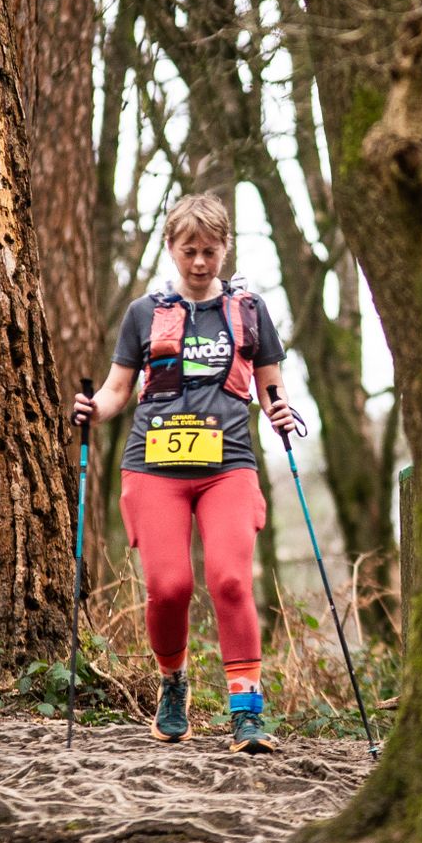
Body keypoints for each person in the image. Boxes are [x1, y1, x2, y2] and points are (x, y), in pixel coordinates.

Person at [71, 195, 302, 750]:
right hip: (155, 467)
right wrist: (94, 410)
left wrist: (281, 411)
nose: (200, 262)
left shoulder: (250, 310)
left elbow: (271, 385)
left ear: (226, 248)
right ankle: (173, 683)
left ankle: (246, 710)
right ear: (171, 247)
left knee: (230, 580)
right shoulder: (144, 313)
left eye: (210, 251)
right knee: (170, 587)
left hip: (229, 465)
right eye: (189, 250)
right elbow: (118, 389)